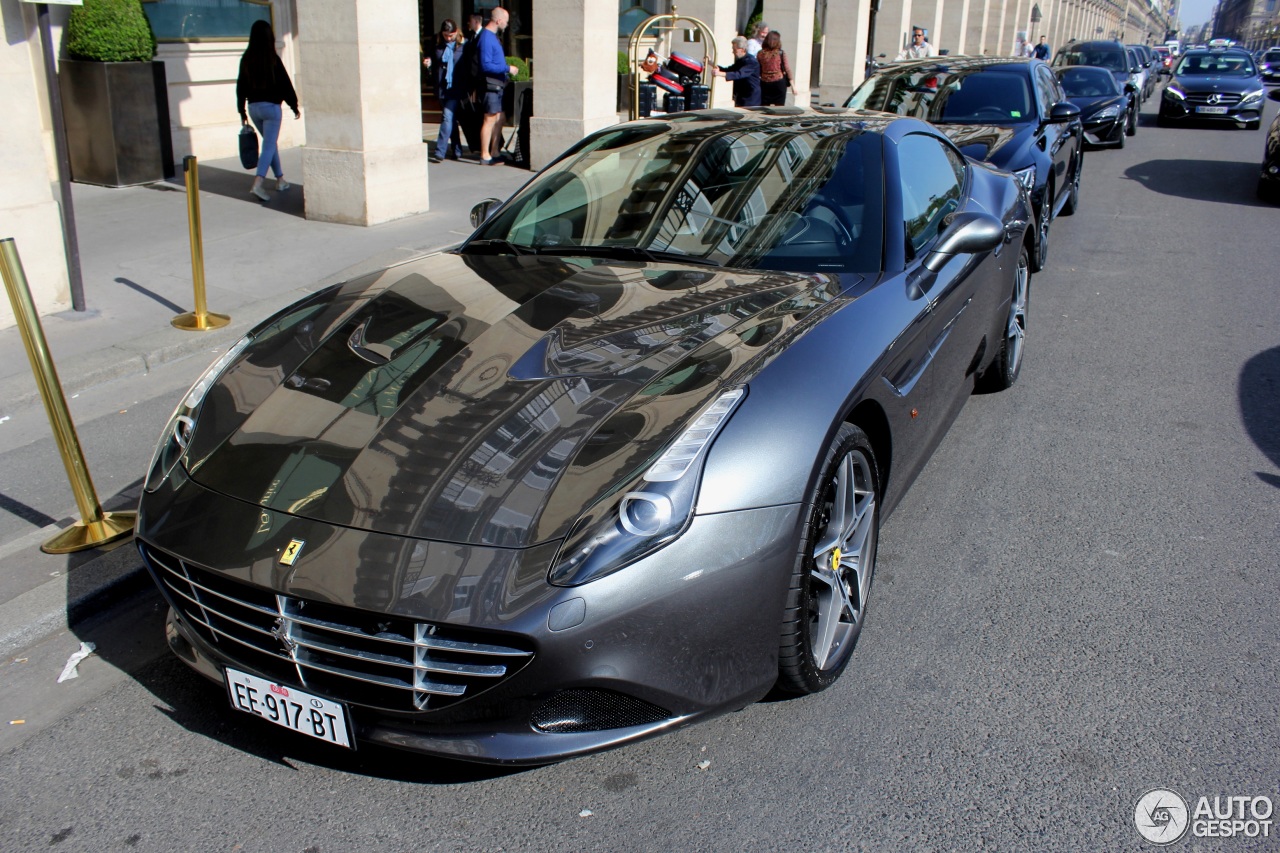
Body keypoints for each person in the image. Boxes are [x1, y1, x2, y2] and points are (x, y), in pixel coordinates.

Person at [237, 19, 300, 202]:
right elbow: (285, 84)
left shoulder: (246, 59)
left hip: (254, 108)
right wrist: (293, 104)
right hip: (271, 108)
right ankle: (258, 183)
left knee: (269, 144)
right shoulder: (273, 59)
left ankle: (280, 179)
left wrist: (242, 111)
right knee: (269, 145)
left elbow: (240, 87)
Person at [477, 7, 520, 166]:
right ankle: (485, 154)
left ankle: (494, 151)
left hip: (498, 83)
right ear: (499, 20)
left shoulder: (491, 37)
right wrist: (507, 68)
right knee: (490, 119)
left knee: (500, 118)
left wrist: (505, 69)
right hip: (491, 85)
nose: (507, 25)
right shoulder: (487, 38)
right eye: (506, 21)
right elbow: (486, 65)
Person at [426, 19, 464, 163]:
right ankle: (457, 149)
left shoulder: (462, 45)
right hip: (441, 86)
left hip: (455, 87)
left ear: (456, 32)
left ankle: (440, 151)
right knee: (451, 119)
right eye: (446, 35)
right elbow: (430, 57)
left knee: (447, 117)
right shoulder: (436, 43)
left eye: (451, 35)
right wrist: (428, 60)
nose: (448, 38)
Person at [713, 36, 761, 107]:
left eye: (735, 50)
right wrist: (712, 64)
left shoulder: (751, 61)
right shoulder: (741, 60)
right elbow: (729, 70)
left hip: (750, 97)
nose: (733, 52)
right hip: (741, 95)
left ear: (742, 50)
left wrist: (719, 73)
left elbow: (739, 74)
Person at [756, 30, 798, 106]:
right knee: (779, 109)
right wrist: (793, 86)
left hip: (765, 83)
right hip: (779, 83)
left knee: (764, 109)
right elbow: (787, 69)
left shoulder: (760, 53)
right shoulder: (780, 53)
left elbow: (758, 69)